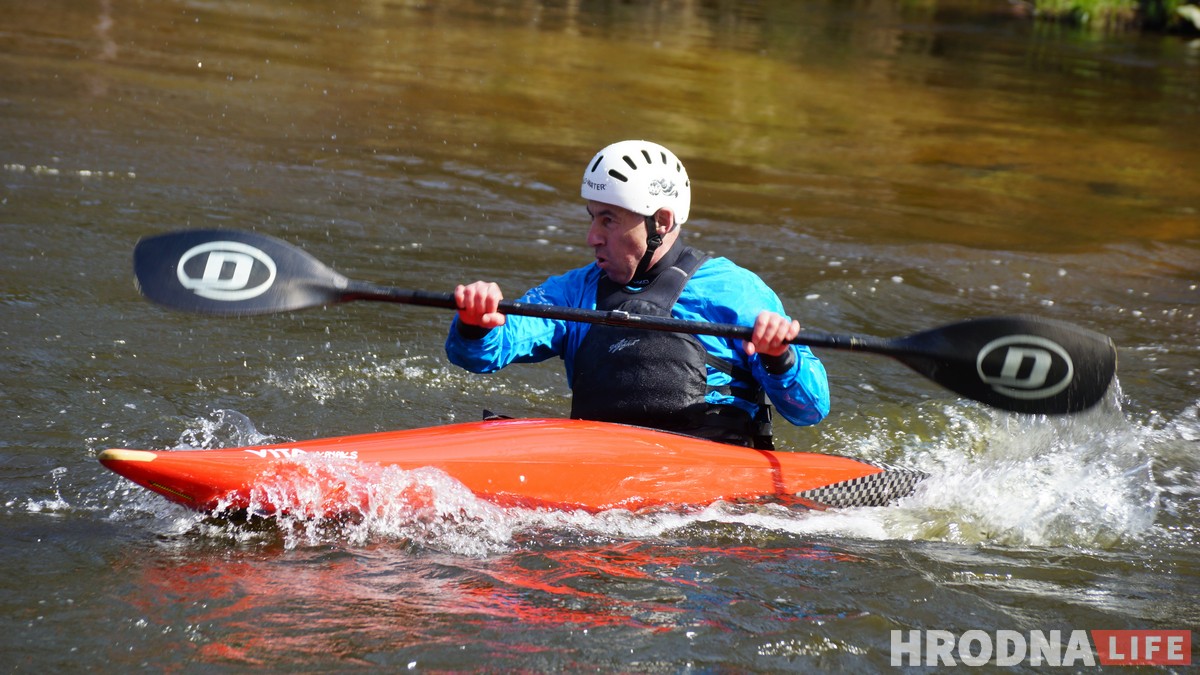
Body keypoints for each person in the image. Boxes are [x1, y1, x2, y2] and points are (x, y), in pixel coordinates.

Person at [445, 140, 829, 448]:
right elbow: (483, 354)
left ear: (660, 221)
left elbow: (810, 409)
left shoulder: (734, 291)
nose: (592, 236)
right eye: (592, 217)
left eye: (608, 220)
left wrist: (780, 357)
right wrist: (477, 325)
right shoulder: (575, 291)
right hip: (605, 463)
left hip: (713, 471)